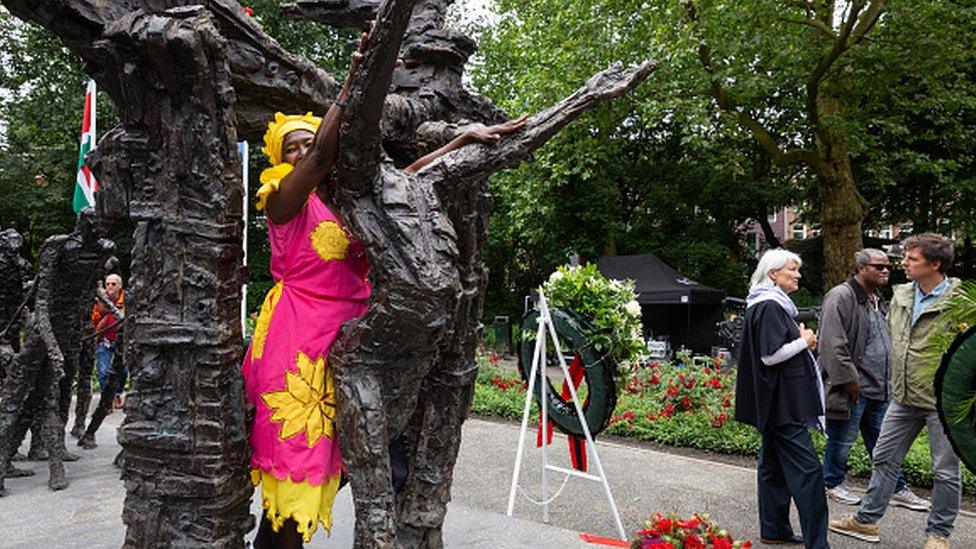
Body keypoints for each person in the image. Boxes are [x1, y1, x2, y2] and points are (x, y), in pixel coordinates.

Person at [243, 32, 526, 548]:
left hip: (356, 339)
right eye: (294, 147)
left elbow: (412, 178)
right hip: (300, 343)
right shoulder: (283, 200)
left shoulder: (350, 203)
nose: (305, 149)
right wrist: (355, 78)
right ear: (283, 159)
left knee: (362, 459)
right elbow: (326, 157)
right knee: (294, 481)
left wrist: (463, 140)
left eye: (310, 139)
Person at [830, 233, 962, 549]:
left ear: (935, 263)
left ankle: (938, 534)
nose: (903, 263)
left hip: (942, 402)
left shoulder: (962, 301)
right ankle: (865, 522)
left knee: (944, 471)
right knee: (885, 458)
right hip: (902, 398)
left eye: (912, 259)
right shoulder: (902, 295)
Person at [819, 249, 929, 510]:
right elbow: (832, 344)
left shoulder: (875, 298)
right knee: (842, 440)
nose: (885, 271)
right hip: (855, 388)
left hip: (880, 387)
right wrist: (848, 380)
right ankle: (831, 483)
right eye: (878, 266)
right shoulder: (841, 296)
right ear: (860, 268)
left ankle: (895, 487)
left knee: (885, 443)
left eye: (888, 267)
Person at [734, 249, 828, 548]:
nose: (798, 274)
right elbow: (770, 356)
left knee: (772, 468)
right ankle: (817, 543)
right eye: (792, 269)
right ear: (773, 273)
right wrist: (805, 341)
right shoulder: (771, 306)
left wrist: (800, 342)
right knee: (808, 472)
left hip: (776, 402)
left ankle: (774, 529)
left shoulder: (765, 304)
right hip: (784, 404)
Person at [91, 273, 126, 410]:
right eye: (108, 284)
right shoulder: (99, 300)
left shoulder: (127, 300)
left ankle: (117, 393)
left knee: (123, 371)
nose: (110, 287)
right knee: (103, 370)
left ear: (119, 286)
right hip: (104, 340)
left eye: (113, 284)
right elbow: (94, 320)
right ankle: (107, 400)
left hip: (121, 340)